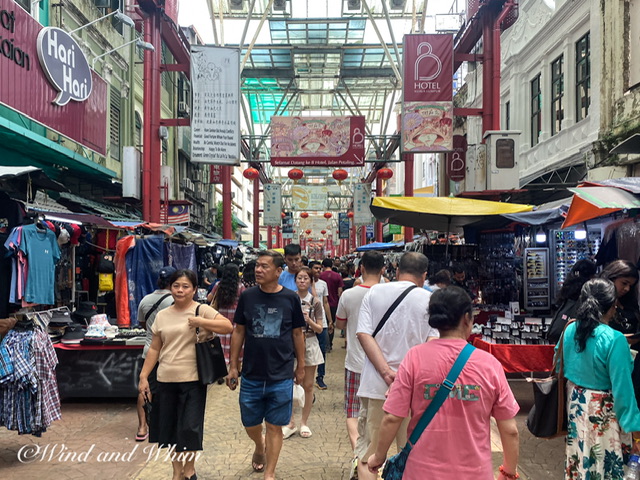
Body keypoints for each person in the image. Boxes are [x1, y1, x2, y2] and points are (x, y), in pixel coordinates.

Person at [367, 286, 521, 479]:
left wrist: (378, 457)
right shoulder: (489, 364)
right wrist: (508, 471)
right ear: (467, 318)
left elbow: (392, 418)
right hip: (474, 473)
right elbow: (510, 430)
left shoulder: (415, 357)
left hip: (421, 472)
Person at [138, 269, 233, 480]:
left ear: (194, 289)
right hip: (165, 379)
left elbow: (227, 327)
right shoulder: (162, 315)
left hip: (193, 380)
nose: (180, 290)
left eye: (185, 286)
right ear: (170, 288)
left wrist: (202, 323)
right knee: (170, 428)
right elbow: (155, 348)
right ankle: (176, 471)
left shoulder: (201, 309)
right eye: (176, 286)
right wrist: (144, 376)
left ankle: (189, 469)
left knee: (190, 427)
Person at [355, 252, 440, 480]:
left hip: (376, 386)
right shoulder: (430, 299)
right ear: (424, 275)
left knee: (369, 455)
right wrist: (404, 377)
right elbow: (433, 343)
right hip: (416, 390)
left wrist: (386, 372)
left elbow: (363, 334)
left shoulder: (374, 292)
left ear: (397, 269)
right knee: (411, 455)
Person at [226, 250, 306, 480]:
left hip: (281, 374)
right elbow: (239, 330)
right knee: (250, 423)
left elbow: (297, 333)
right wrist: (233, 365)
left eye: (264, 266)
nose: (258, 270)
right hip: (251, 373)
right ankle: (259, 446)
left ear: (278, 271)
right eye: (257, 266)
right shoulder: (248, 296)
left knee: (274, 426)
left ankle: (270, 473)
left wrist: (300, 366)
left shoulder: (290, 298)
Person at [560, 278, 640, 479]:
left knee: (580, 459)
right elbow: (624, 392)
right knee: (604, 465)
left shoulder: (570, 329)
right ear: (613, 305)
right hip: (603, 412)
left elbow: (560, 363)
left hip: (576, 404)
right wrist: (636, 431)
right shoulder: (614, 339)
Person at [335, 250, 386, 474]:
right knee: (379, 416)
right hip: (383, 366)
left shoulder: (349, 295)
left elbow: (339, 325)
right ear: (384, 269)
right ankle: (373, 457)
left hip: (356, 362)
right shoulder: (390, 294)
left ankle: (359, 456)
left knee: (353, 413)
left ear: (361, 268)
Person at [282, 267, 324, 439]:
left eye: (306, 278)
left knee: (308, 385)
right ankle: (290, 421)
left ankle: (304, 422)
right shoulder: (288, 298)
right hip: (290, 344)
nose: (302, 281)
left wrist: (309, 321)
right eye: (299, 278)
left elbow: (320, 328)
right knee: (288, 384)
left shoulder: (315, 302)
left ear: (311, 281)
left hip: (310, 342)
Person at [135, 266, 176, 442]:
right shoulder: (175, 300)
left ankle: (142, 427)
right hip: (169, 352)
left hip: (148, 350)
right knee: (169, 389)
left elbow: (144, 325)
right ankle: (167, 424)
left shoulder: (145, 300)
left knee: (146, 388)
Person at [547, 259, 597, 344]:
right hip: (577, 339)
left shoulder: (568, 287)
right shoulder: (588, 292)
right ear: (591, 275)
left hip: (562, 338)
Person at [207, 263, 245, 366]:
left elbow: (209, 298)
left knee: (221, 341)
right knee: (236, 340)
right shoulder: (240, 286)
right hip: (236, 317)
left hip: (221, 316)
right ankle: (236, 366)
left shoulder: (218, 285)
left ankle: (221, 366)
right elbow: (244, 302)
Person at [600, 259, 640, 334]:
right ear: (611, 279)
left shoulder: (629, 301)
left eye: (631, 286)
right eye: (624, 283)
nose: (627, 289)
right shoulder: (599, 302)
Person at [309, 260, 331, 390]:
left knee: (322, 350)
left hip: (321, 322)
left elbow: (325, 302)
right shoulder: (303, 282)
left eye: (319, 268)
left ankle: (320, 377)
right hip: (307, 323)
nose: (318, 271)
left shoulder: (323, 284)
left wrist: (329, 319)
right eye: (316, 268)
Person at [320, 258, 343, 354]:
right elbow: (340, 292)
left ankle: (323, 343)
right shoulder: (337, 276)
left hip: (321, 304)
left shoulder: (320, 276)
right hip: (334, 303)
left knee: (321, 323)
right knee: (331, 323)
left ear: (323, 266)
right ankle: (330, 344)